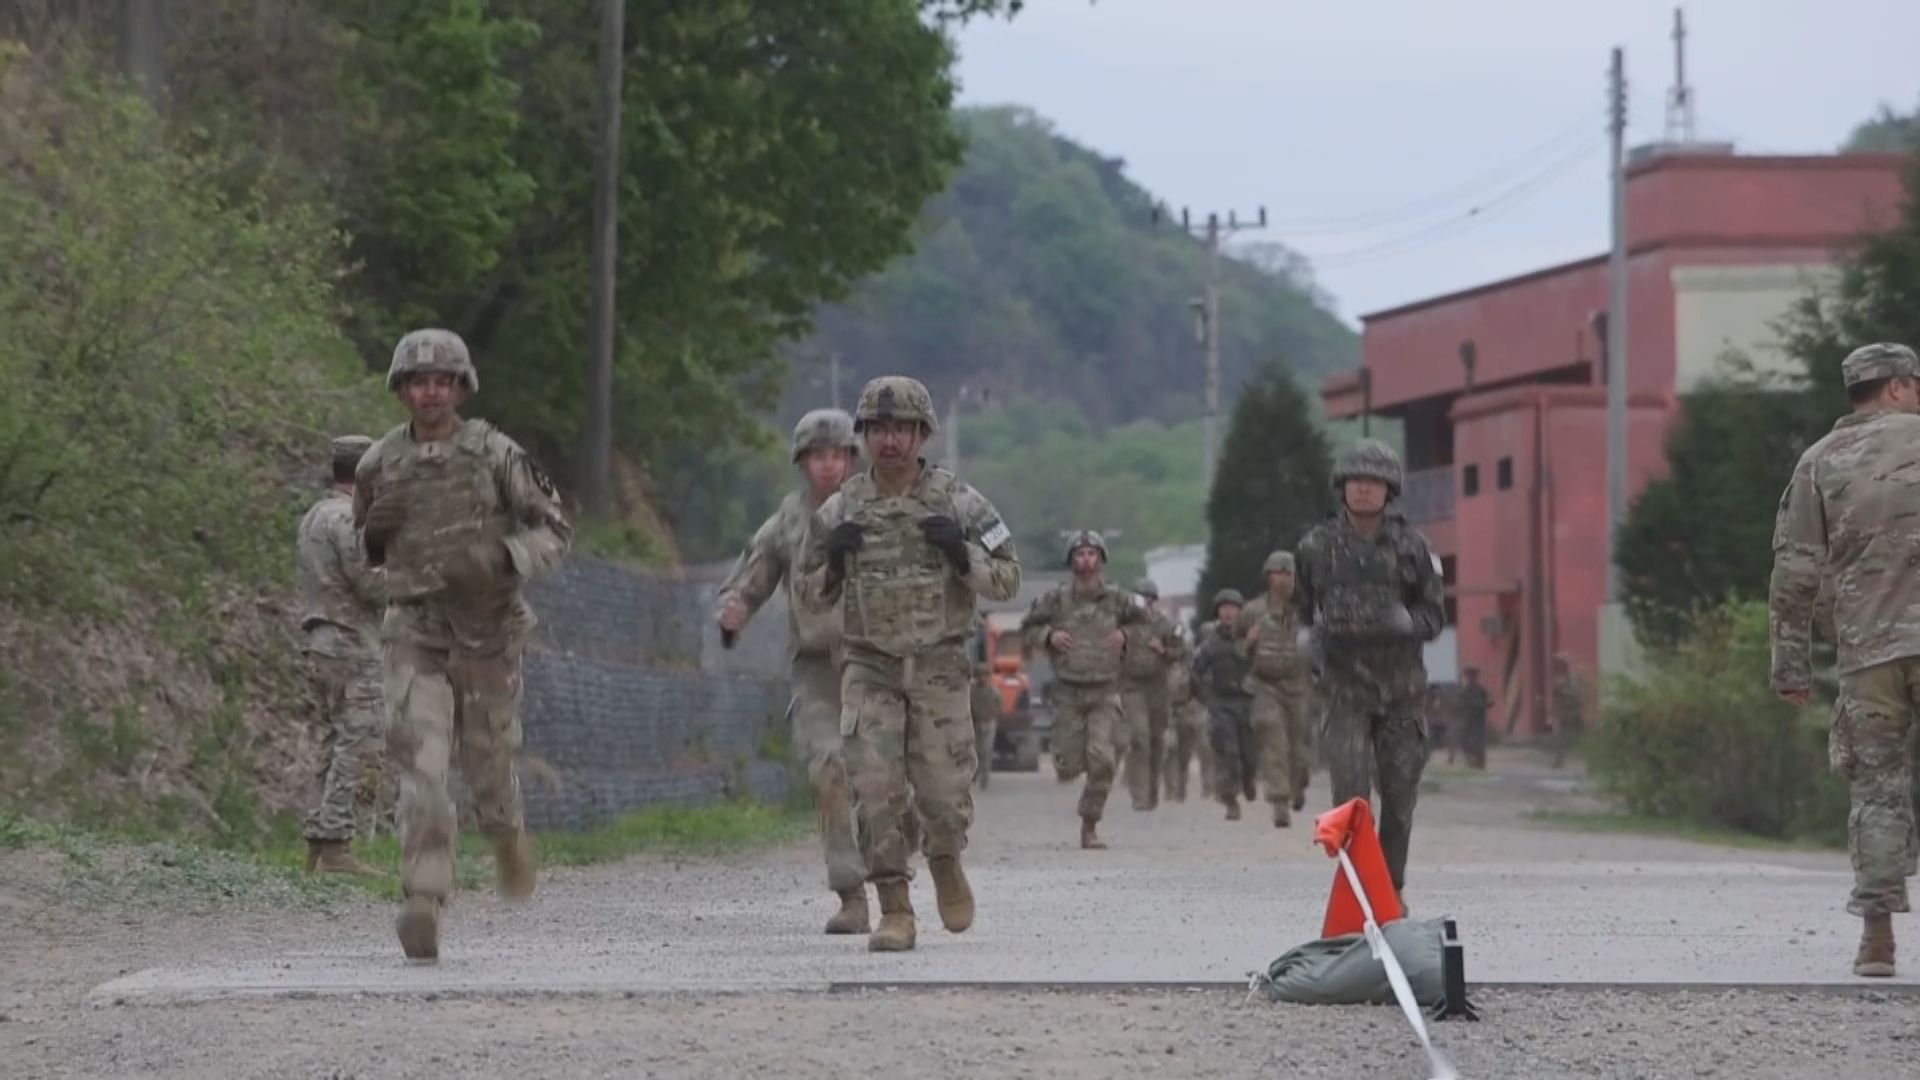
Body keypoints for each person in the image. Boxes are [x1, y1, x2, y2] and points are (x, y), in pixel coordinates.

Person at [353, 328, 573, 961]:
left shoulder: (496, 454)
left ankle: (507, 836)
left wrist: (504, 558)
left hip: (487, 636)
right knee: (422, 770)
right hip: (414, 632)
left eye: (442, 381)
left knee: (487, 769)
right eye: (419, 381)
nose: (430, 392)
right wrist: (372, 535)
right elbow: (364, 557)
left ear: (460, 388)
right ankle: (422, 897)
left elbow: (554, 529)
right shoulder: (379, 464)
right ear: (401, 390)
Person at [798, 375, 1020, 953]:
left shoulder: (960, 502)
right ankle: (894, 908)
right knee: (874, 789)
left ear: (922, 434)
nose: (890, 441)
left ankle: (946, 860)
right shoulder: (839, 508)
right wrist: (835, 564)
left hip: (940, 666)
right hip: (869, 666)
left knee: (944, 794)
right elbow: (808, 596)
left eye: (901, 429)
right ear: (864, 436)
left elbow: (1008, 575)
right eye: (878, 429)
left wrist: (960, 553)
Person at [1767, 342, 1920, 978]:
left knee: (1877, 792)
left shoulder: (1819, 461)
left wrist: (1791, 666)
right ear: (1895, 387)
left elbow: (1794, 570)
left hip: (1869, 655)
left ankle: (1877, 941)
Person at [715, 408, 868, 934]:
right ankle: (851, 894)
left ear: (852, 459)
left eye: (838, 455)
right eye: (818, 457)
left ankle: (894, 869)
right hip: (817, 671)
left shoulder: (877, 509)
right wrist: (735, 608)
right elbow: (753, 574)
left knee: (886, 781)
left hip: (878, 668)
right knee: (828, 772)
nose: (829, 466)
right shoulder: (787, 521)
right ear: (803, 463)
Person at [1295, 439, 1445, 898]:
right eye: (1355, 481)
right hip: (1344, 693)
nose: (1363, 490)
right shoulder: (1315, 547)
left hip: (1401, 693)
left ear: (1389, 490)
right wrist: (1310, 641)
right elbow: (1304, 609)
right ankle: (1362, 890)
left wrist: (1408, 622)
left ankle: (1390, 888)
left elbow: (1435, 617)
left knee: (1399, 798)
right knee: (1351, 799)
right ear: (1342, 488)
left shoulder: (1413, 548)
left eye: (1374, 482)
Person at [294, 434, 387, 876]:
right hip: (351, 640)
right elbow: (369, 582)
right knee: (359, 740)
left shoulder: (315, 515)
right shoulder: (348, 518)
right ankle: (336, 845)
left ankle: (318, 842)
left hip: (320, 639)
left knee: (333, 739)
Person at [1021, 530, 1141, 849]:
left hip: (1104, 690)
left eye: (1091, 553)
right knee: (1067, 764)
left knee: (1102, 760)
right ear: (1071, 560)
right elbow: (1028, 627)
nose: (1085, 559)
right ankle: (1075, 762)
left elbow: (1152, 626)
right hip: (1068, 692)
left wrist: (1127, 635)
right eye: (1079, 553)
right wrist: (1048, 636)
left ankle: (1089, 825)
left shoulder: (1119, 599)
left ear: (1101, 560)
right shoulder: (1055, 599)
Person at [1235, 550, 1312, 826]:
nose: (1284, 579)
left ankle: (1298, 783)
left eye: (1288, 573)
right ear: (1268, 576)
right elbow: (1236, 649)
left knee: (1299, 747)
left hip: (1300, 686)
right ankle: (1279, 802)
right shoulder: (1252, 611)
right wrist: (1248, 642)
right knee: (1273, 740)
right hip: (1266, 686)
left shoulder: (1306, 610)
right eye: (1278, 573)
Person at [1192, 590, 1257, 821]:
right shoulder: (1211, 642)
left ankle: (1249, 779)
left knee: (1250, 754)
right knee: (1228, 753)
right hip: (1222, 704)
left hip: (1248, 702)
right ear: (1217, 612)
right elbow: (1196, 670)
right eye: (1224, 608)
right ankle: (1230, 800)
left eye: (1233, 608)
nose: (1228, 613)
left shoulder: (1252, 638)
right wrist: (1204, 697)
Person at [1120, 577, 1181, 812]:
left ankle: (1152, 790)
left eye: (1148, 598)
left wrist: (1163, 650)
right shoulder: (1123, 626)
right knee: (1139, 738)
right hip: (1132, 687)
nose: (1143, 602)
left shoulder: (1165, 625)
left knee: (1156, 741)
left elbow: (1181, 651)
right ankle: (1139, 795)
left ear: (1154, 601)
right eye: (1139, 598)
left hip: (1158, 688)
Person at [1163, 628, 1212, 802]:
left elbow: (1205, 685)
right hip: (1170, 711)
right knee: (1173, 751)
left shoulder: (1195, 662)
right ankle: (1174, 789)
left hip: (1193, 708)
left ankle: (1208, 787)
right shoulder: (1163, 665)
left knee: (1205, 748)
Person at [970, 661, 1001, 791]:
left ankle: (985, 778)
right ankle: (974, 775)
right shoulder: (971, 692)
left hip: (988, 723)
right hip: (975, 723)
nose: (982, 678)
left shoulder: (993, 691)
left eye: (984, 675)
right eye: (979, 675)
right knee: (975, 752)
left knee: (986, 752)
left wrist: (992, 716)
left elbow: (998, 706)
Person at [1550, 655, 1585, 769]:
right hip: (1565, 713)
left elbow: (1579, 696)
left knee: (1580, 736)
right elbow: (1556, 698)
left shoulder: (1573, 680)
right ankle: (1558, 761)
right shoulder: (1561, 681)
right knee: (1560, 738)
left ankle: (1589, 760)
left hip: (1573, 711)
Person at [1456, 667, 1491, 770]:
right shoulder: (1463, 692)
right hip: (1467, 722)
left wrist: (1483, 704)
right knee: (1467, 744)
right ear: (1467, 677)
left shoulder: (1481, 690)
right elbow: (1459, 706)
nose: (1472, 678)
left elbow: (1490, 701)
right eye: (1470, 676)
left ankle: (1480, 764)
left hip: (1479, 722)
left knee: (1479, 744)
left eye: (1474, 676)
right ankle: (1471, 763)